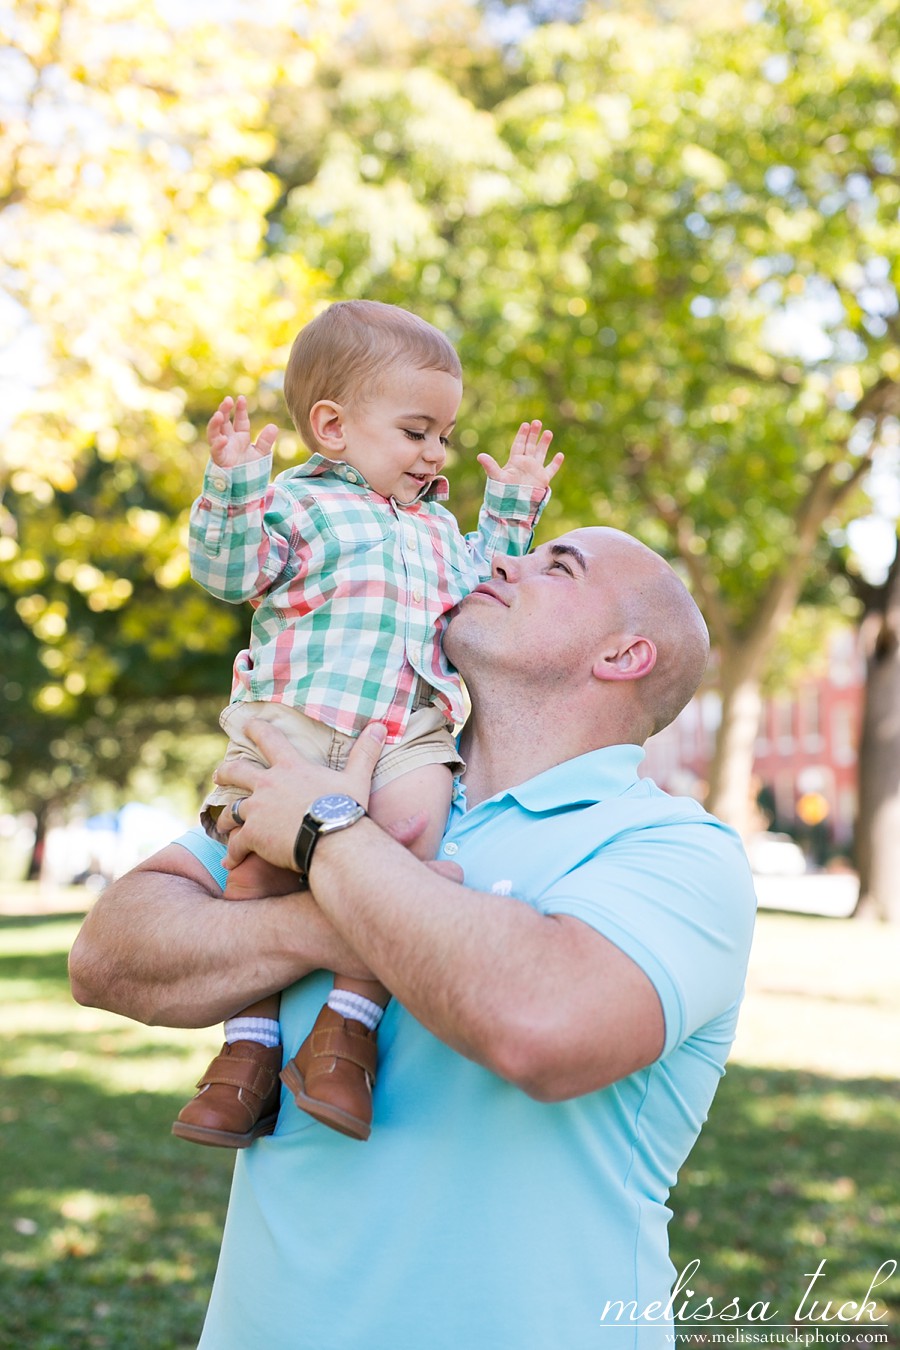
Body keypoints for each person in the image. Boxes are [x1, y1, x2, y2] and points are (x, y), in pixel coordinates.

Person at [69, 526, 757, 1350]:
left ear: (623, 654)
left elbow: (542, 1024)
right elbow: (106, 957)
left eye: (557, 566)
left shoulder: (678, 849)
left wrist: (327, 836)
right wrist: (332, 918)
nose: (505, 559)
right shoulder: (357, 768)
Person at [176, 298, 561, 1146]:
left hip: (402, 729)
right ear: (333, 427)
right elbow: (231, 572)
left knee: (410, 836)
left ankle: (344, 1031)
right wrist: (233, 485)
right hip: (298, 723)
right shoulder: (296, 504)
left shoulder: (433, 526)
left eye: (444, 438)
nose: (435, 453)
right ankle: (244, 1056)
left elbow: (472, 584)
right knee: (256, 873)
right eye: (417, 431)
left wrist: (514, 507)